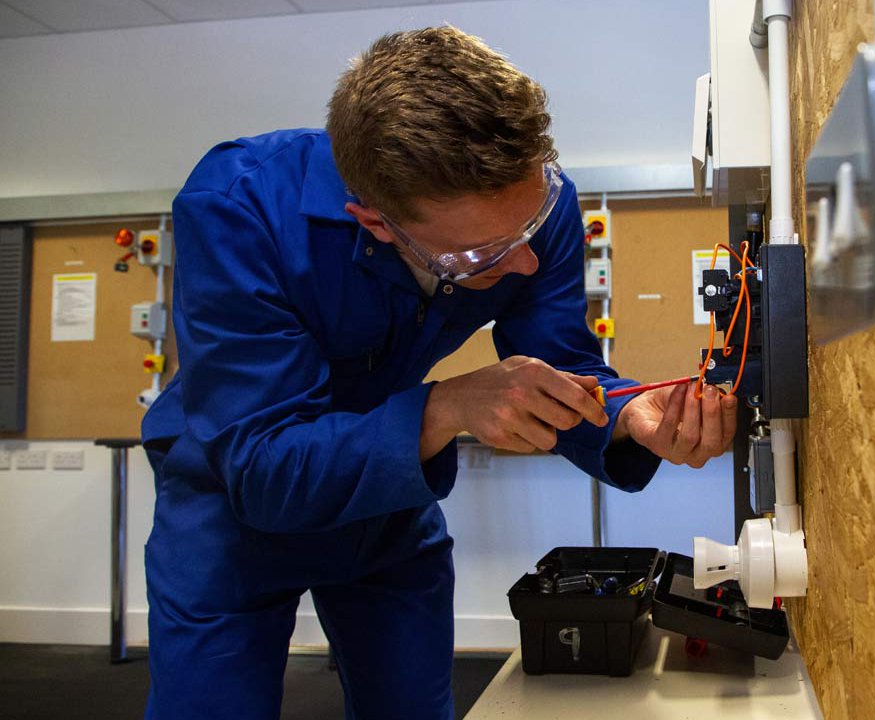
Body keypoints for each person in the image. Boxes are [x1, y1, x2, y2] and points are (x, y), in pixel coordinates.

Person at [139, 26, 735, 720]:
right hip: (232, 500)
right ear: (377, 224)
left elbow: (560, 361)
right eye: (483, 256)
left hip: (387, 495)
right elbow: (266, 465)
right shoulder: (237, 208)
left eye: (533, 223)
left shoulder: (533, 207)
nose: (525, 265)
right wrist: (446, 407)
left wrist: (630, 412)